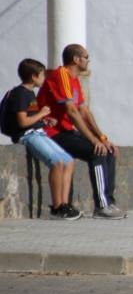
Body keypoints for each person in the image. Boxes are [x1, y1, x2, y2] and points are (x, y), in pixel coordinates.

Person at [37, 44, 125, 219]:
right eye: (86, 57)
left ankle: (109, 201)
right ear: (76, 59)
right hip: (52, 132)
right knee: (96, 152)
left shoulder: (75, 80)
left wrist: (102, 138)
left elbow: (84, 111)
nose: (88, 61)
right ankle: (101, 206)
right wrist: (93, 141)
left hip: (66, 130)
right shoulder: (61, 75)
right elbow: (71, 111)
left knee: (108, 150)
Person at [1, 59, 80, 220]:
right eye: (42, 74)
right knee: (56, 162)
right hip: (27, 135)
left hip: (37, 131)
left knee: (69, 160)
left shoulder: (30, 93)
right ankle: (57, 207)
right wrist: (42, 114)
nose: (44, 77)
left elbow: (31, 117)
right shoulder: (20, 94)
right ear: (33, 76)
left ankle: (65, 204)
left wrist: (43, 120)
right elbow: (22, 122)